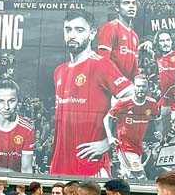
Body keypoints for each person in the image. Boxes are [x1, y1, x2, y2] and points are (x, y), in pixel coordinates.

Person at [50, 10, 132, 178]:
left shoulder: (102, 65)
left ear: (92, 33)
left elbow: (134, 98)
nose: (72, 35)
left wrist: (108, 142)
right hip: (60, 168)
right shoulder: (60, 71)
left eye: (79, 30)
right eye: (68, 29)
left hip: (91, 168)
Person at [104, 75, 160, 180]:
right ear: (134, 87)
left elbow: (155, 121)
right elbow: (107, 118)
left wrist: (157, 133)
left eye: (143, 86)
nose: (141, 89)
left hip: (138, 146)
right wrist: (110, 137)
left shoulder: (152, 104)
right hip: (124, 145)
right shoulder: (124, 103)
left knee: (128, 177)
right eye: (138, 86)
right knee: (141, 176)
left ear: (147, 87)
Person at [96, 0, 140, 80]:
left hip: (127, 87)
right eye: (126, 3)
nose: (131, 6)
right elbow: (103, 62)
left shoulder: (135, 36)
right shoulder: (110, 28)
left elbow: (134, 69)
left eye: (133, 3)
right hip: (112, 86)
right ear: (117, 8)